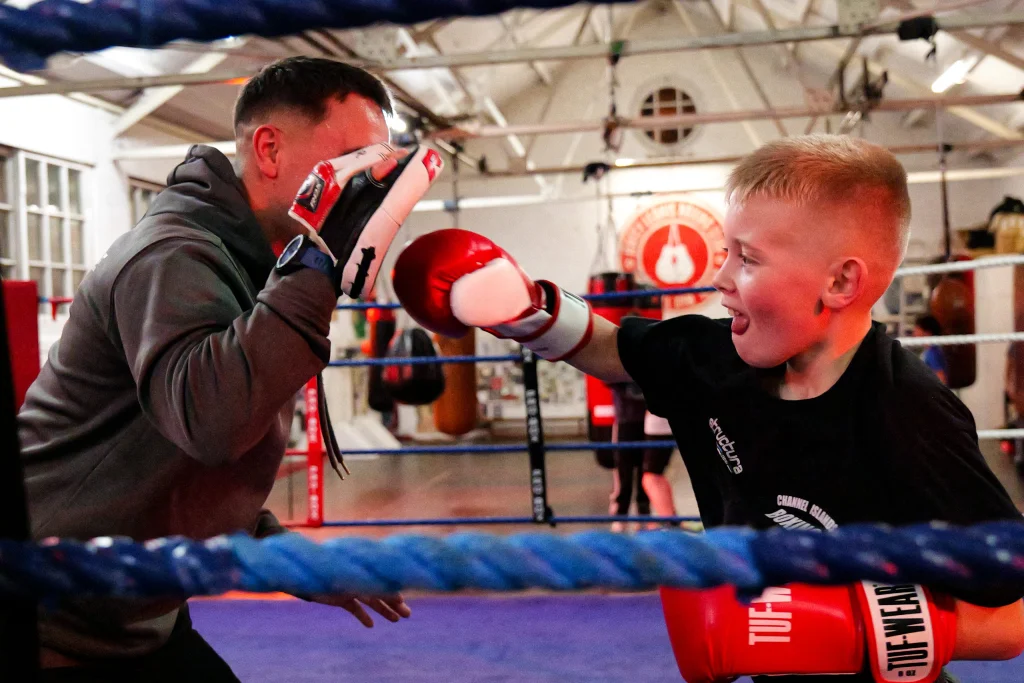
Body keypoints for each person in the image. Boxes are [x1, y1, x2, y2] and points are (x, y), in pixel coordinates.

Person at [391, 134, 1024, 683]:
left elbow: (1012, 613)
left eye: (746, 258)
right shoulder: (716, 358)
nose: (720, 278)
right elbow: (613, 348)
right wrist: (523, 309)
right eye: (726, 251)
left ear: (839, 283)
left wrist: (861, 628)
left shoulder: (908, 411)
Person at [17, 56, 440, 681]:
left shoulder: (255, 265)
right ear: (268, 149)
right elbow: (213, 421)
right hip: (43, 621)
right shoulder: (172, 253)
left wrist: (285, 560)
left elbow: (187, 476)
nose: (366, 185)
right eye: (352, 158)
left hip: (131, 615)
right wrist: (318, 264)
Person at [606, 378, 651, 531]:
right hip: (626, 418)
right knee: (624, 469)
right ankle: (621, 514)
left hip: (648, 418)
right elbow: (607, 378)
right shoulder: (616, 362)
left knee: (645, 469)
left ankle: (643, 513)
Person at [914, 314, 948, 384]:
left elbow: (941, 378)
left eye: (917, 329)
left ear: (927, 332)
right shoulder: (930, 351)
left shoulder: (932, 353)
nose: (915, 333)